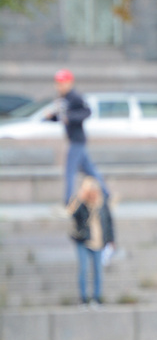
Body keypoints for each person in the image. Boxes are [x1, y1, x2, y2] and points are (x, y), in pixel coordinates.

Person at [45, 69, 109, 205]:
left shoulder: (75, 97)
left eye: (62, 83)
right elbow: (61, 117)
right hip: (73, 139)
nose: (59, 86)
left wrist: (71, 118)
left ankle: (68, 201)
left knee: (70, 170)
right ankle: (106, 194)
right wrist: (51, 117)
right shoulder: (62, 99)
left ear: (69, 83)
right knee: (89, 170)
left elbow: (87, 112)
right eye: (58, 83)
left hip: (77, 140)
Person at [68, 176, 114, 306]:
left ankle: (97, 298)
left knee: (98, 271)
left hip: (99, 242)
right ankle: (83, 298)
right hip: (83, 241)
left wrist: (111, 240)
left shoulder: (102, 203)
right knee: (83, 269)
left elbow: (109, 222)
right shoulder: (81, 204)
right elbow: (74, 216)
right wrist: (81, 198)